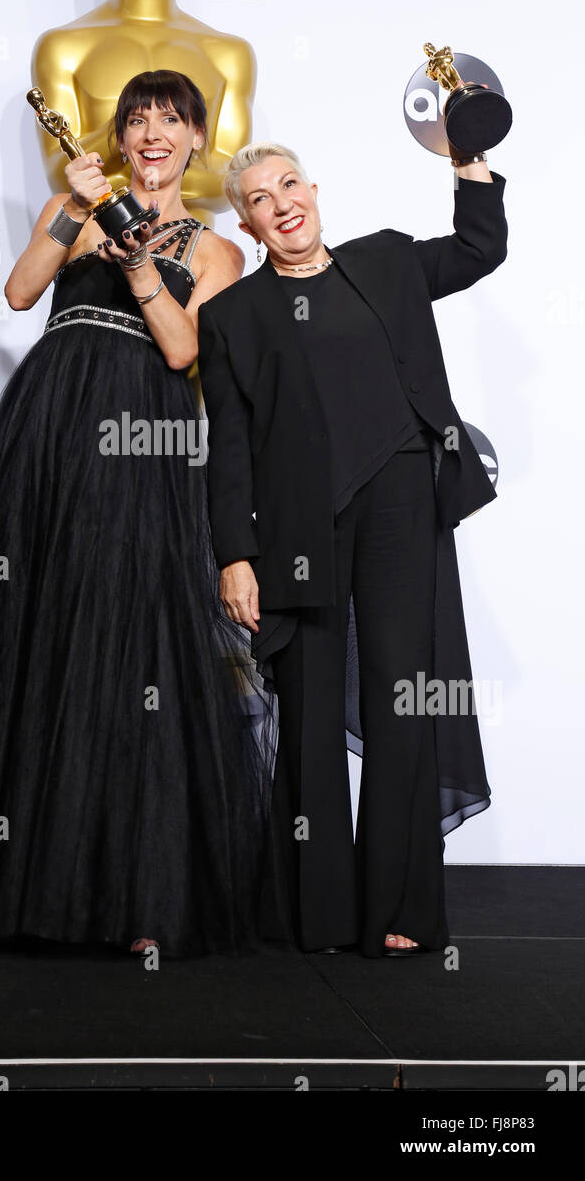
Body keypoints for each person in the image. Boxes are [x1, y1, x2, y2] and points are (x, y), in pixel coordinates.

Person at [0, 70, 275, 957]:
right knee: (33, 634)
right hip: (47, 431)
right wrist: (73, 211)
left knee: (130, 649)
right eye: (138, 120)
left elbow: (183, 351)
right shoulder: (72, 205)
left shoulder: (215, 252)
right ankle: (3, 881)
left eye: (171, 120)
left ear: (198, 137)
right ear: (119, 137)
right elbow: (17, 294)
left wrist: (137, 265)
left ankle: (133, 894)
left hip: (144, 444)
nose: (153, 134)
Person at [197, 141, 507, 959]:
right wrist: (235, 554)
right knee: (304, 712)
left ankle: (398, 902)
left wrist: (469, 159)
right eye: (262, 198)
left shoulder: (388, 263)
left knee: (403, 698)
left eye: (290, 184)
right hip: (300, 527)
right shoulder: (233, 316)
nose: (283, 203)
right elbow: (227, 448)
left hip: (404, 501)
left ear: (313, 189)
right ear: (248, 222)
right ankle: (319, 911)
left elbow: (481, 249)